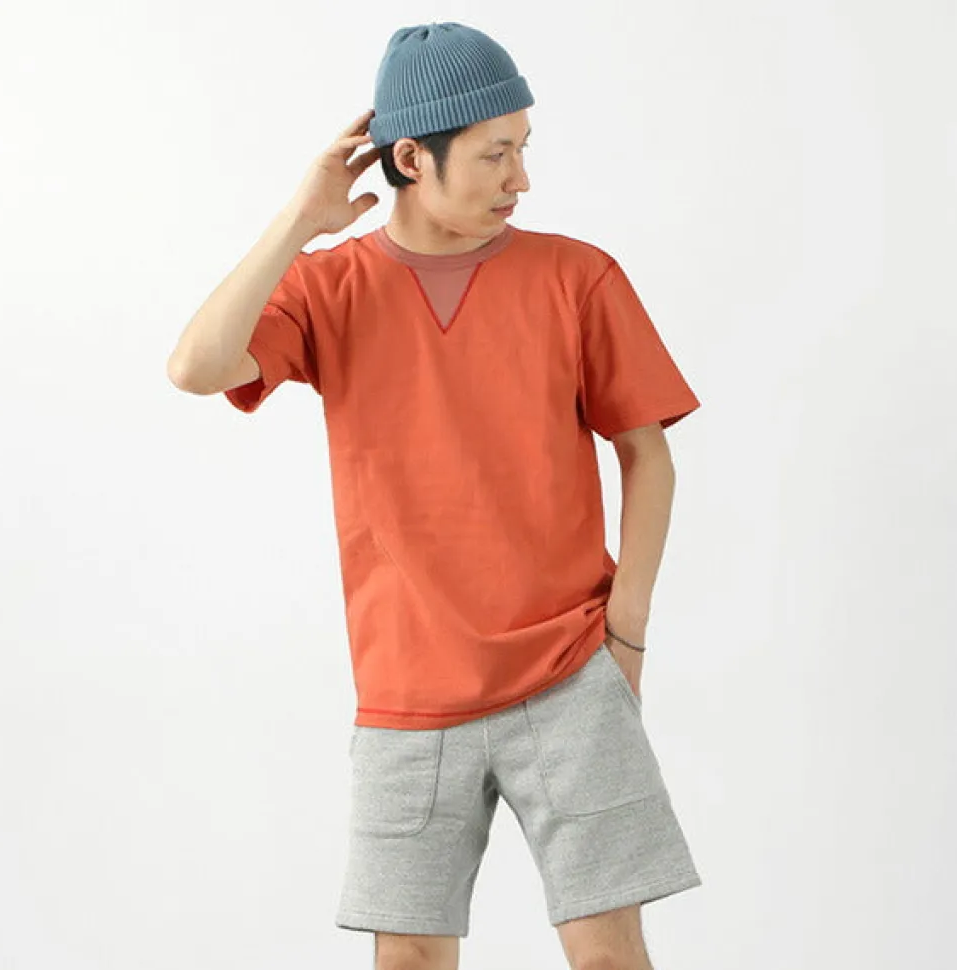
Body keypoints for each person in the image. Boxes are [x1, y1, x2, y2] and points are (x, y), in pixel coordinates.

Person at [167, 20, 702, 970]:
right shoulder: (328, 289)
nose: (520, 178)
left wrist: (626, 632)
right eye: (496, 154)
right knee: (409, 957)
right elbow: (196, 368)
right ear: (412, 158)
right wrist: (299, 220)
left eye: (523, 148)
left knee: (608, 955)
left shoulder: (576, 276)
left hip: (572, 672)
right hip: (406, 694)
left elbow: (645, 453)